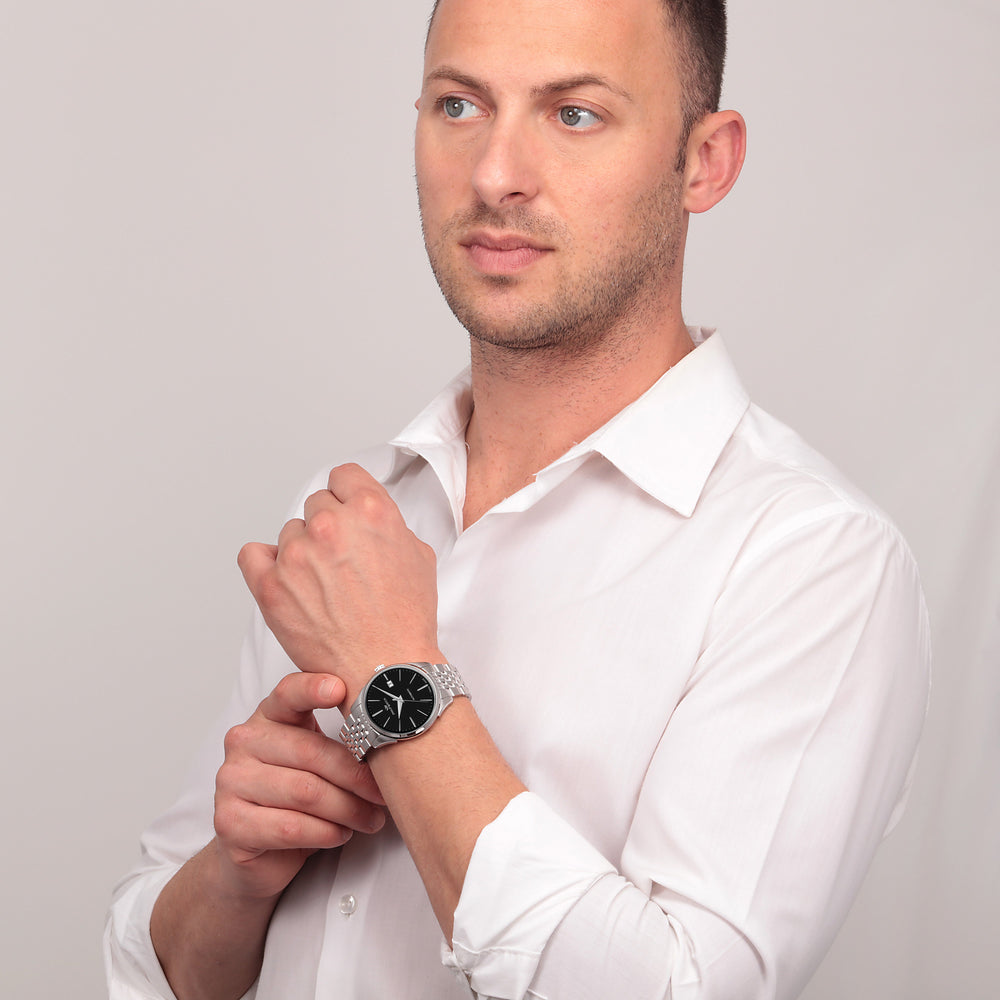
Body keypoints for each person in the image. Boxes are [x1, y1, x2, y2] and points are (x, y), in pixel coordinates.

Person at [105, 0, 931, 997]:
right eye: (458, 105)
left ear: (704, 161)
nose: (494, 174)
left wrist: (394, 679)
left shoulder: (811, 561)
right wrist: (235, 877)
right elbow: (148, 971)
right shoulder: (354, 515)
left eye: (573, 113)